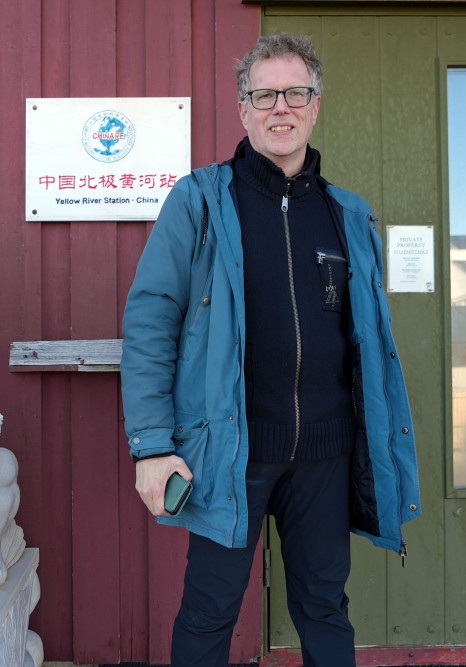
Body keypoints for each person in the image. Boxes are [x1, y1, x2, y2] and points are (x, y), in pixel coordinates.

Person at [120, 32, 421, 667]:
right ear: (243, 108)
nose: (279, 107)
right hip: (231, 453)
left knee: (324, 606)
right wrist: (152, 446)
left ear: (315, 105)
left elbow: (368, 343)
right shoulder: (200, 201)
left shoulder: (348, 214)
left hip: (324, 455)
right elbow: (151, 321)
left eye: (295, 93)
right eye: (264, 95)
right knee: (209, 611)